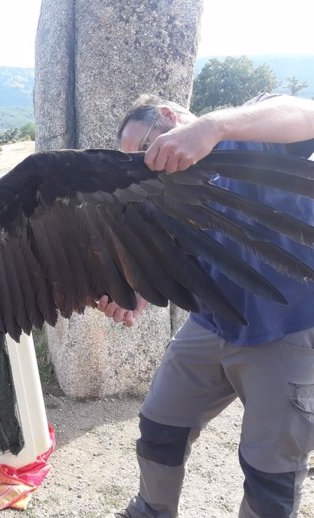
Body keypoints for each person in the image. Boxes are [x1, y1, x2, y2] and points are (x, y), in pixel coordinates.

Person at [99, 93, 314, 518]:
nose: (151, 162)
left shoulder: (250, 133)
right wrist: (142, 291)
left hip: (287, 328)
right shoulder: (172, 187)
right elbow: (183, 252)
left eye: (147, 146)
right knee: (160, 427)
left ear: (168, 115)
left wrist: (213, 126)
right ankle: (150, 511)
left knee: (270, 472)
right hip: (210, 325)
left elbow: (308, 113)